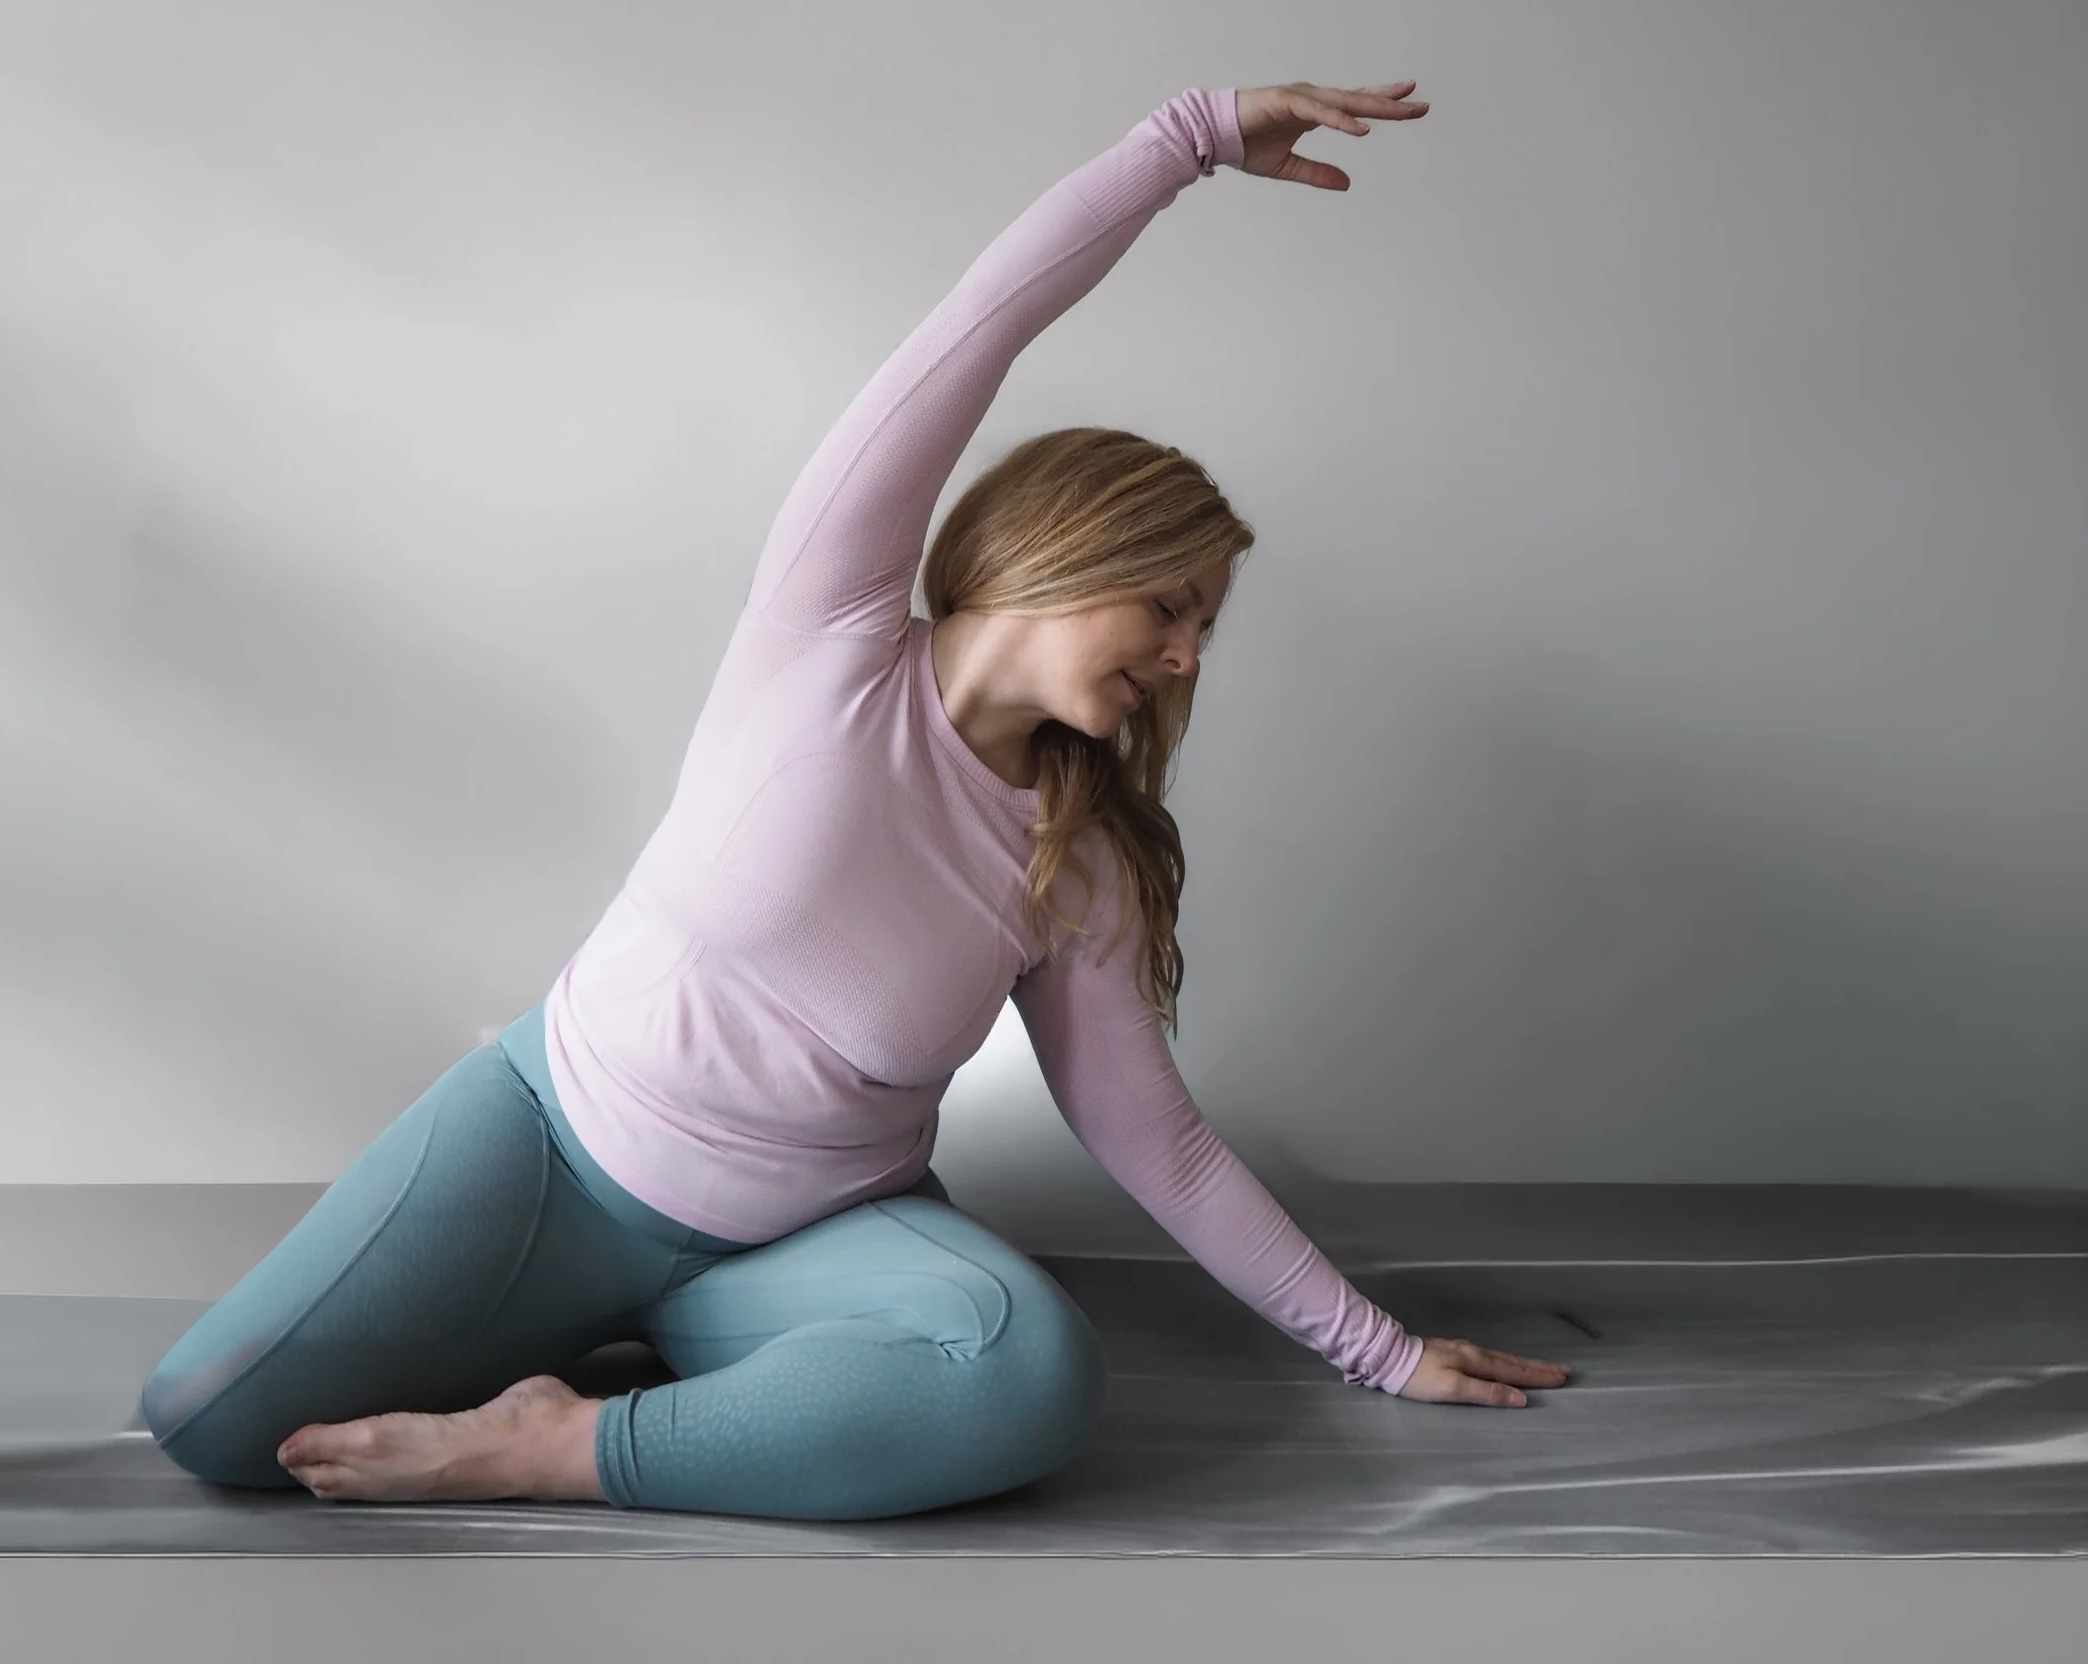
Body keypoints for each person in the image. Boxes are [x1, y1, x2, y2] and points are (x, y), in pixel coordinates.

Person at [138, 78, 1571, 1522]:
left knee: (1019, 1371)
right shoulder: (826, 635)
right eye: (1170, 604)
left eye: (1206, 628)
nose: (1191, 654)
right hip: (552, 1152)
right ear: (1070, 553)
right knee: (209, 1422)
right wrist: (1185, 140)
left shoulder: (1081, 860)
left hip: (808, 1241)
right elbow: (979, 323)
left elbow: (1165, 1146)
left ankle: (553, 1440)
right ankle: (624, 1356)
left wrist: (1379, 1352)